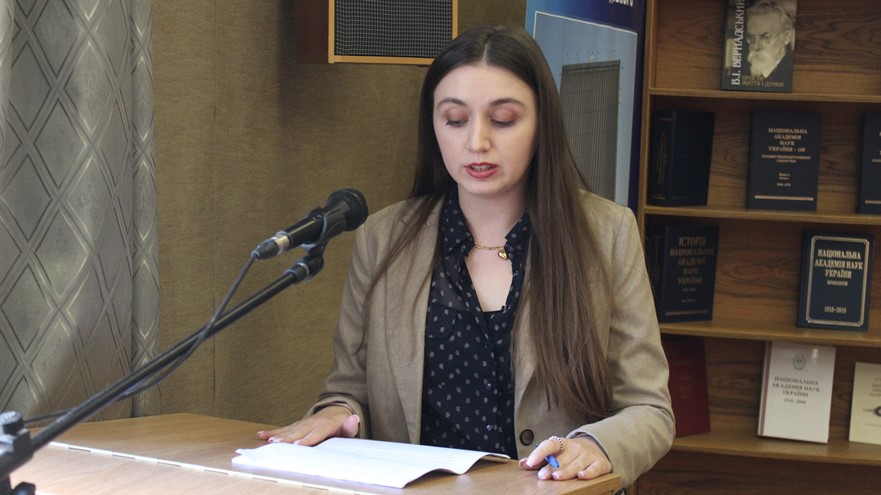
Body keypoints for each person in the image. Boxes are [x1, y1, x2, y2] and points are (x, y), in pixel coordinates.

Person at [258, 24, 674, 488]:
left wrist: (596, 445)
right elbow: (350, 388)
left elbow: (650, 409)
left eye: (503, 120)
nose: (477, 142)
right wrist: (338, 412)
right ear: (434, 126)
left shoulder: (607, 234)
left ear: (542, 126)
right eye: (455, 120)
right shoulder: (383, 238)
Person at [744, 0, 795, 87]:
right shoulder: (741, 70)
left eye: (765, 37)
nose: (756, 47)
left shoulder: (791, 74)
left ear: (786, 37)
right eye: (752, 37)